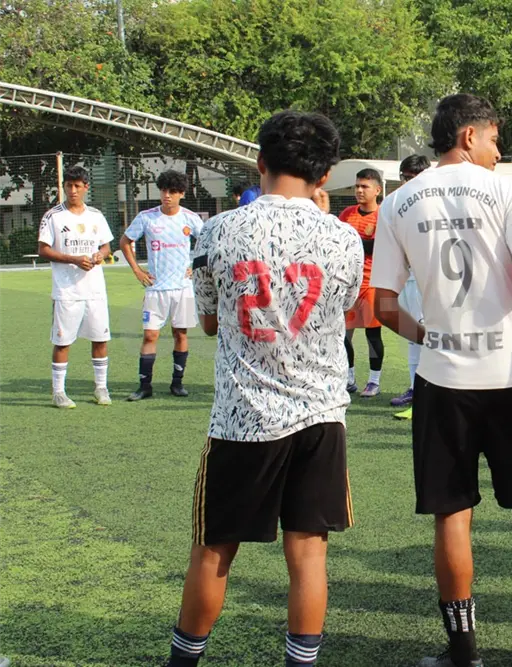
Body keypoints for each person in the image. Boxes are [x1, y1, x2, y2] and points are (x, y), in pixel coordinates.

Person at [166, 110, 364, 667]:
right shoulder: (344, 237)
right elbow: (344, 312)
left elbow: (207, 322)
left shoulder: (216, 230)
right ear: (325, 176)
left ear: (260, 162)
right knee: (307, 554)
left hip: (242, 416)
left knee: (212, 551)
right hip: (321, 416)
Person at [371, 93, 512, 667]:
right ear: (470, 137)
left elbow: (382, 305)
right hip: (510, 372)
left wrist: (429, 335)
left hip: (443, 376)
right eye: (496, 139)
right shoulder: (506, 188)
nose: (500, 151)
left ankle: (464, 651)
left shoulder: (398, 201)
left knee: (453, 514)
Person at [120, 170, 206, 401]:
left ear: (181, 194)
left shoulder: (190, 218)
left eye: (173, 191)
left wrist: (196, 266)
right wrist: (137, 270)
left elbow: (208, 243)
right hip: (156, 289)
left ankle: (177, 383)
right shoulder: (147, 217)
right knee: (150, 336)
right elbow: (125, 241)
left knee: (181, 333)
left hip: (182, 288)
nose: (167, 195)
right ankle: (144, 386)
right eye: (164, 190)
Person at [37, 165, 113, 408]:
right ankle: (59, 391)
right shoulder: (53, 216)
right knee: (62, 342)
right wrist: (73, 259)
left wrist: (100, 255)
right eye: (68, 186)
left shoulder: (96, 216)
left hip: (95, 291)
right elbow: (43, 249)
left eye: (77, 186)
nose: (72, 190)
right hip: (67, 291)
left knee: (100, 340)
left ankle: (101, 388)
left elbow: (106, 247)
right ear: (64, 187)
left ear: (85, 188)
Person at [389, 154, 432, 420]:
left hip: (430, 280)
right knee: (411, 334)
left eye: (410, 178)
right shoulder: (399, 204)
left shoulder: (435, 204)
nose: (407, 183)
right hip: (409, 279)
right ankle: (417, 390)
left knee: (427, 334)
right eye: (404, 178)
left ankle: (426, 395)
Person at [339, 168, 386, 397]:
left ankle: (374, 381)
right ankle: (348, 378)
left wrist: (354, 242)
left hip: (372, 284)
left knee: (372, 335)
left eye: (364, 186)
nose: (359, 190)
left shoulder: (383, 215)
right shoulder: (347, 214)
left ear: (377, 190)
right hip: (349, 284)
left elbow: (378, 247)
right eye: (357, 186)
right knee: (343, 334)